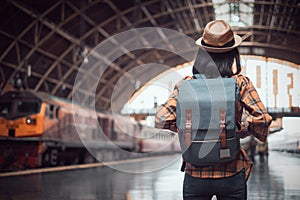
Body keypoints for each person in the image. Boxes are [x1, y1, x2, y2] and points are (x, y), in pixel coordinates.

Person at [155, 20, 272, 200]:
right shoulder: (240, 83)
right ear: (233, 54)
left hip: (195, 175)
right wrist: (239, 129)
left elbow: (161, 118)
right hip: (231, 172)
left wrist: (187, 128)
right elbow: (263, 119)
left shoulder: (186, 85)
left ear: (200, 54)